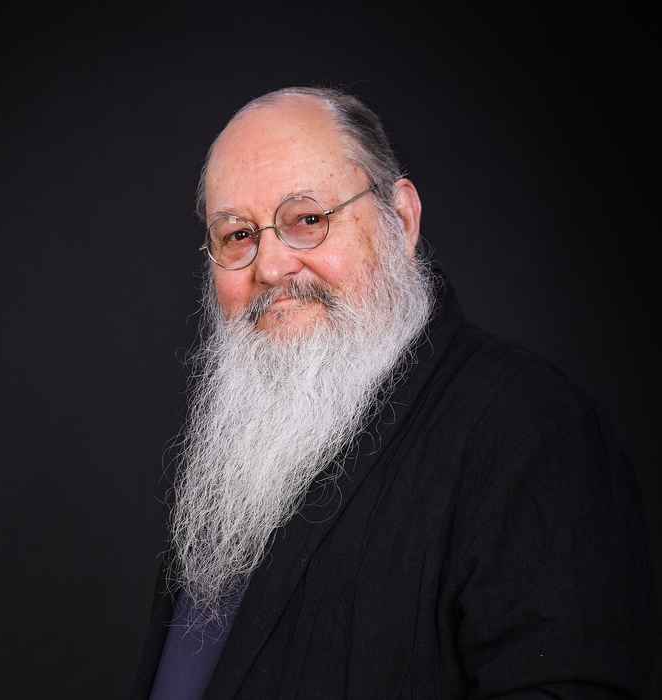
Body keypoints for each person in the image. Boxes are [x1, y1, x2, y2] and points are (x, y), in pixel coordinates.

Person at [132, 87, 653, 699]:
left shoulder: (531, 429)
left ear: (400, 220)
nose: (270, 268)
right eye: (238, 235)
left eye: (308, 220)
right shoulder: (239, 462)